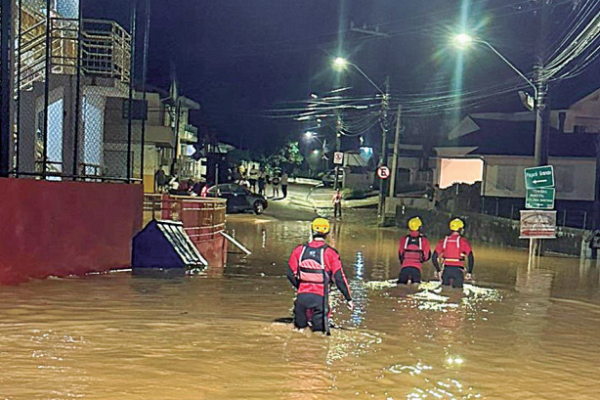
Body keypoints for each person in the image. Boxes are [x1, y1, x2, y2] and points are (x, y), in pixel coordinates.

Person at [287, 218, 353, 334]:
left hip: (301, 298)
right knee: (319, 337)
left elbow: (289, 273)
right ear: (327, 233)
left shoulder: (299, 250)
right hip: (320, 300)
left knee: (299, 333)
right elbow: (339, 278)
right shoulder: (331, 253)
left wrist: (301, 287)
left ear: (312, 231)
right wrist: (348, 298)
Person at [432, 218, 474, 289]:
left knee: (445, 291)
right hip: (458, 271)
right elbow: (470, 257)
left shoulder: (443, 241)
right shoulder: (463, 242)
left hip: (446, 271)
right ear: (460, 229)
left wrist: (438, 270)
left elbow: (434, 257)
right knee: (458, 294)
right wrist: (469, 272)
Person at [398, 217, 431, 284]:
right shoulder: (424, 240)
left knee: (400, 286)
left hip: (404, 268)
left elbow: (400, 254)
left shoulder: (404, 239)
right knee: (415, 287)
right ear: (419, 227)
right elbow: (427, 256)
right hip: (416, 269)